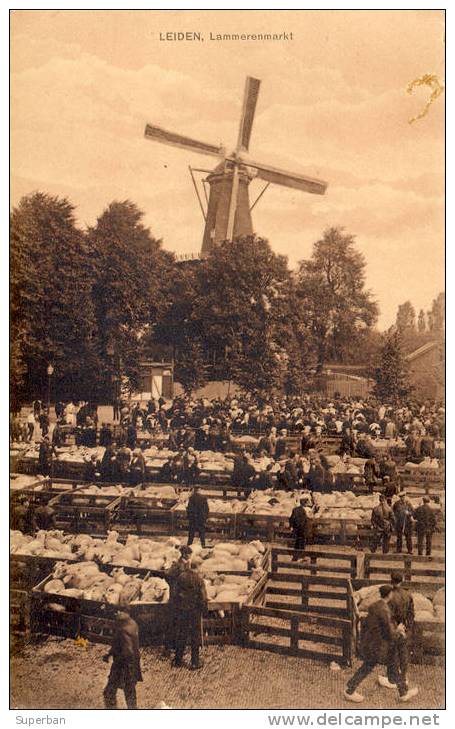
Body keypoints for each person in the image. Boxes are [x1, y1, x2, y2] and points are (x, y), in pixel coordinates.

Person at [344, 584, 417, 703]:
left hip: (372, 643)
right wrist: (398, 631)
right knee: (367, 668)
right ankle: (349, 691)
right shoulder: (384, 610)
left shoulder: (375, 606)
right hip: (379, 646)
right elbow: (389, 633)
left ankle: (403, 693)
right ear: (390, 595)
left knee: (391, 667)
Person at [380, 571, 416, 698]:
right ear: (402, 580)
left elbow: (386, 615)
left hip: (393, 629)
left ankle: (395, 682)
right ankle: (402, 680)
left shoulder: (389, 595)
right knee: (402, 654)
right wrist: (406, 628)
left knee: (393, 656)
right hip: (403, 629)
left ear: (391, 580)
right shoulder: (408, 595)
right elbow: (411, 614)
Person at [172, 552, 208, 669]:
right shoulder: (199, 580)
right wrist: (203, 609)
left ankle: (178, 660)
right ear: (198, 567)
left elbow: (175, 593)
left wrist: (178, 607)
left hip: (182, 611)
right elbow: (203, 597)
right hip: (194, 612)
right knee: (195, 637)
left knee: (181, 634)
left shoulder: (181, 577)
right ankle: (194, 662)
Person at [103, 607, 142, 709]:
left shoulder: (123, 629)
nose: (117, 613)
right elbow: (118, 643)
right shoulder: (132, 624)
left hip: (123, 666)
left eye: (119, 611)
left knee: (109, 693)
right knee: (130, 694)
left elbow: (127, 650)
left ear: (126, 613)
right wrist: (109, 654)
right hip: (131, 664)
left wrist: (117, 663)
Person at [163, 545, 192, 655]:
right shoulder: (179, 565)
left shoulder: (183, 564)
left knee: (177, 623)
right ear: (184, 554)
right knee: (174, 622)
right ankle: (169, 647)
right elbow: (168, 574)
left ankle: (174, 646)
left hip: (179, 597)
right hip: (177, 597)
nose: (190, 556)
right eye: (189, 554)